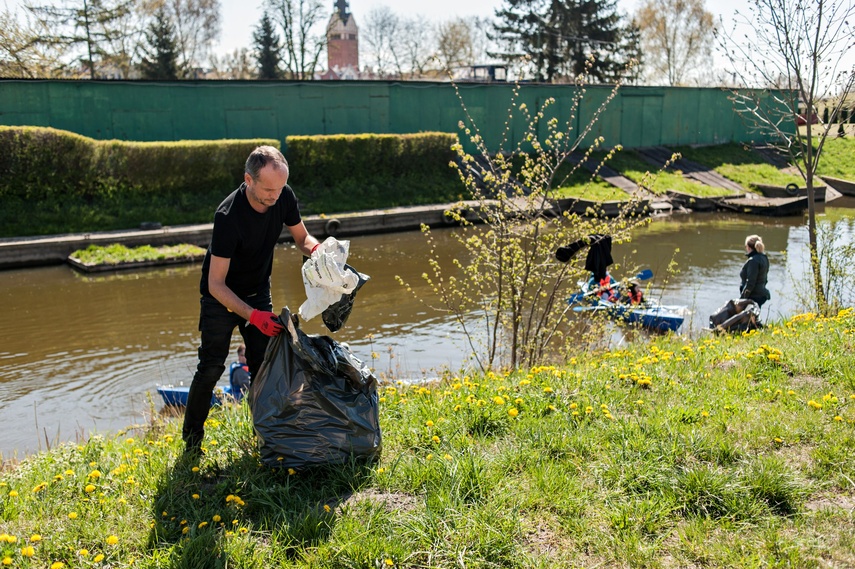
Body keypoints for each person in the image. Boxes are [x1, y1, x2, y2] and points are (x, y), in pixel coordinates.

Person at [183, 145, 320, 453]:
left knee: (264, 366)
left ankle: (268, 437)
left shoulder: (283, 195)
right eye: (269, 189)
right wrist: (252, 316)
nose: (275, 197)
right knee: (210, 368)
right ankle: (192, 442)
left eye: (280, 188)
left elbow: (302, 238)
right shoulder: (228, 216)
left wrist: (317, 250)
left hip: (257, 290)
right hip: (221, 298)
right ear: (249, 179)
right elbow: (215, 284)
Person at [739, 234, 771, 308]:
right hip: (760, 294)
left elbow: (750, 282)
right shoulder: (764, 258)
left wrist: (742, 300)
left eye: (746, 246)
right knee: (754, 317)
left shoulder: (753, 261)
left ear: (748, 247)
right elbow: (765, 279)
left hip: (753, 297)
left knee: (748, 318)